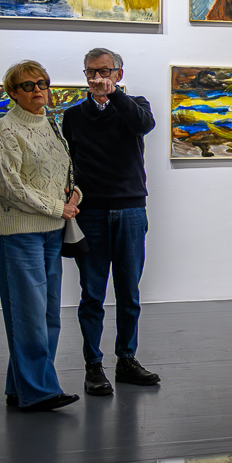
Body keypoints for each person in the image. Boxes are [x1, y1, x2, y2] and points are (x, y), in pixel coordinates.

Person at [0, 61, 81, 412]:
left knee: (48, 314)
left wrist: (73, 196)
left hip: (52, 230)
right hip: (21, 233)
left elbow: (62, 172)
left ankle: (22, 386)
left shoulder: (50, 124)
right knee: (28, 315)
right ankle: (39, 391)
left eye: (42, 83)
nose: (38, 89)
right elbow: (8, 186)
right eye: (28, 85)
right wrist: (57, 207)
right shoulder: (5, 130)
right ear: (12, 92)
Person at [61, 48, 160, 395]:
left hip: (130, 210)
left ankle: (127, 359)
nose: (97, 78)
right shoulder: (73, 116)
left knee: (129, 292)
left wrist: (114, 96)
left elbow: (142, 125)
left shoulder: (135, 106)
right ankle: (93, 365)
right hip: (91, 213)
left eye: (104, 71)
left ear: (119, 73)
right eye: (91, 72)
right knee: (92, 294)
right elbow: (68, 163)